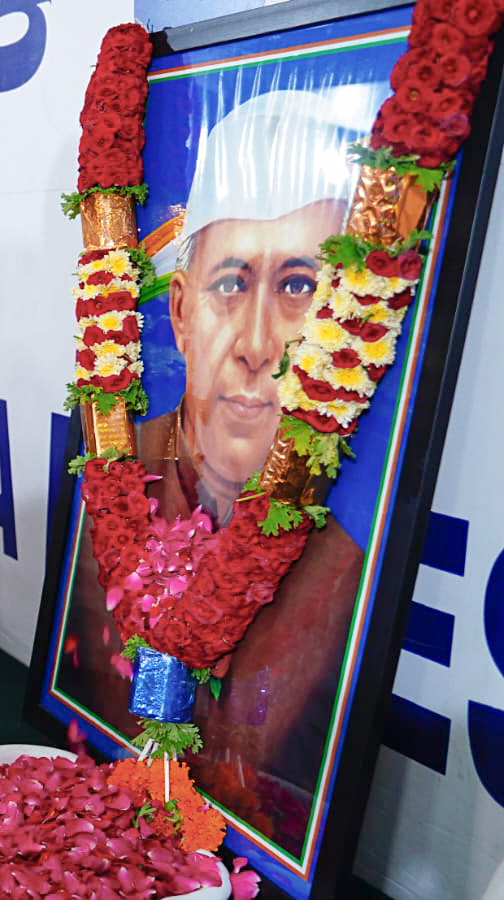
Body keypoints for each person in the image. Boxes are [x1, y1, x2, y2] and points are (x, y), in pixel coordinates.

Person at [61, 88, 374, 856]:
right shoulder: (113, 486)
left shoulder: (342, 574)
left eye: (299, 286)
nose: (256, 343)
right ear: (178, 313)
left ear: (344, 331)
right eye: (231, 283)